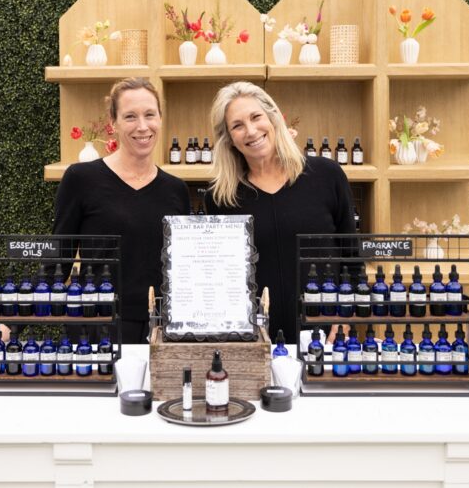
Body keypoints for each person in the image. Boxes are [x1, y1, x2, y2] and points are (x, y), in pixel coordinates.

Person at [205, 81, 356, 342]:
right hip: (251, 335)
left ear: (274, 119)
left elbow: (351, 254)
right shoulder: (220, 198)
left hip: (323, 327)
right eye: (237, 125)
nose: (251, 131)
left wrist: (345, 314)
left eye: (256, 117)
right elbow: (217, 274)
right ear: (228, 139)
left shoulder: (326, 175)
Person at [53, 77, 190, 344]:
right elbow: (58, 260)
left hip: (161, 328)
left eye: (150, 114)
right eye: (130, 116)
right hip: (97, 325)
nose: (142, 126)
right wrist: (9, 325)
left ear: (160, 119)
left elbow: (183, 267)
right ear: (113, 124)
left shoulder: (176, 190)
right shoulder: (81, 179)